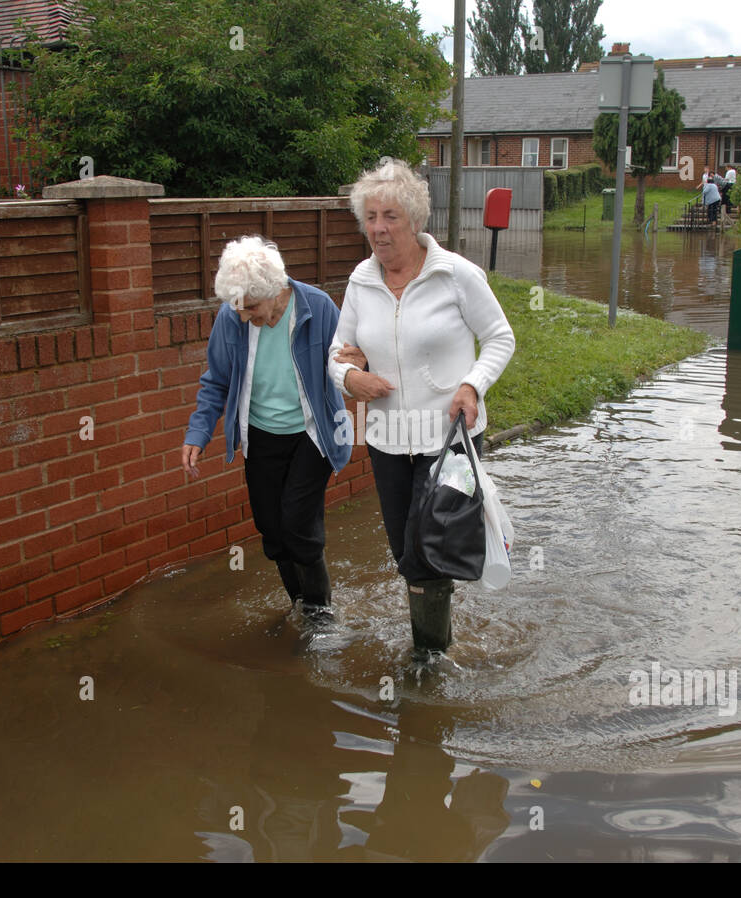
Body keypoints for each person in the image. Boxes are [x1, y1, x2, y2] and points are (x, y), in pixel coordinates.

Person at [328, 158, 515, 659]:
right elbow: (337, 351)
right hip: (388, 439)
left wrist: (472, 385)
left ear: (414, 220)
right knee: (406, 551)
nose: (378, 229)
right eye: (370, 217)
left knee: (428, 549)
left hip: (447, 439)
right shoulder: (360, 281)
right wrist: (350, 376)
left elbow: (499, 337)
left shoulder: (456, 275)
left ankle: (430, 654)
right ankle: (437, 641)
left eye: (389, 216)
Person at [182, 236, 351, 616]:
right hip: (261, 433)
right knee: (272, 530)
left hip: (313, 433)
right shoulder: (232, 317)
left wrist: (362, 377)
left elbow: (345, 364)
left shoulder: (318, 307)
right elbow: (216, 379)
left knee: (297, 524)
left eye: (251, 307)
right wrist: (199, 431)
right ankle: (299, 606)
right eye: (239, 308)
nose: (244, 316)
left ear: (275, 291)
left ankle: (320, 617)